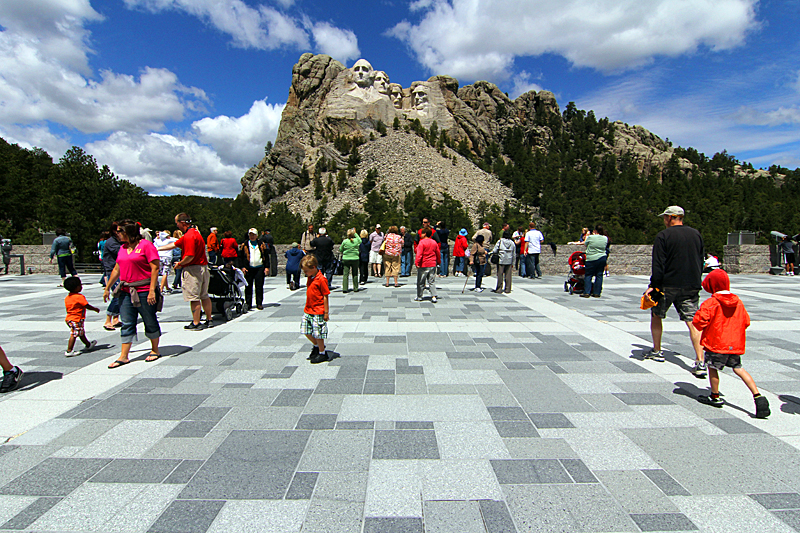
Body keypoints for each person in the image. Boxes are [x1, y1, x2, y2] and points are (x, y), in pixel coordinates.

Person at [692, 268, 770, 418]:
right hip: (734, 344)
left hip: (716, 343)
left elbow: (698, 322)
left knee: (713, 368)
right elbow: (746, 321)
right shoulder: (738, 302)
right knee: (738, 368)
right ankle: (758, 395)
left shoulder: (711, 303)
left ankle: (715, 396)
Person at [644, 205, 706, 378]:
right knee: (693, 321)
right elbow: (700, 259)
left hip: (666, 284)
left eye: (665, 217)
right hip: (691, 284)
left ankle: (657, 350)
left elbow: (658, 264)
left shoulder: (663, 236)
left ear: (671, 217)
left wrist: (653, 285)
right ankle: (700, 361)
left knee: (656, 315)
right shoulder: (696, 234)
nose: (664, 220)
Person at [104, 220, 161, 368]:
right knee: (127, 322)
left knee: (149, 320)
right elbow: (117, 268)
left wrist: (152, 290)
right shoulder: (123, 247)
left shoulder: (146, 246)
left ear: (127, 232)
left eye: (119, 231)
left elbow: (155, 268)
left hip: (143, 290)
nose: (117, 233)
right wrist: (107, 287)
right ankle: (124, 356)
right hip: (125, 291)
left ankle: (155, 349)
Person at [158, 213, 214, 331]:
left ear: (182, 223)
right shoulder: (195, 233)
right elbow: (174, 244)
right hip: (203, 267)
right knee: (204, 295)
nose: (177, 225)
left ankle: (196, 322)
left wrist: (180, 264)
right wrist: (157, 248)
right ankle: (209, 319)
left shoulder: (189, 236)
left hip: (193, 269)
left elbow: (189, 256)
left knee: (194, 297)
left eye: (177, 223)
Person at [301, 255, 331, 364]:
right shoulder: (311, 277)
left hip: (318, 310)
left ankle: (322, 352)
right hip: (308, 309)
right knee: (306, 330)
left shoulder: (321, 279)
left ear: (314, 267)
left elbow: (325, 295)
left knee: (318, 333)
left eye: (306, 271)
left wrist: (326, 312)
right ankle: (316, 346)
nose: (305, 273)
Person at [63, 276, 99, 357]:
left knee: (81, 333)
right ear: (76, 288)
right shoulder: (79, 297)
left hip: (69, 319)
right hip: (76, 319)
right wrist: (95, 309)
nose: (81, 286)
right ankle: (69, 351)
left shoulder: (68, 297)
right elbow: (86, 305)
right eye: (80, 285)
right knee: (74, 334)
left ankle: (88, 345)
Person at [102, 222, 123, 331]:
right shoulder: (111, 242)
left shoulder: (119, 241)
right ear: (115, 231)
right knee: (117, 294)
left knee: (121, 293)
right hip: (113, 270)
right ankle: (108, 319)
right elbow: (121, 252)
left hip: (121, 269)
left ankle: (116, 318)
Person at [241, 228, 268, 310]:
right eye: (250, 235)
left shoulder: (261, 244)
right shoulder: (245, 245)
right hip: (249, 268)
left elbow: (266, 256)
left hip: (259, 268)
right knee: (248, 287)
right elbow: (240, 257)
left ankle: (259, 303)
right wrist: (242, 267)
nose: (252, 236)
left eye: (253, 235)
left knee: (259, 286)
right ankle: (248, 303)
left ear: (256, 235)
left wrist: (267, 267)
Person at [581, 225, 609, 298]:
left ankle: (587, 292)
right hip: (602, 257)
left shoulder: (591, 237)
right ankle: (597, 293)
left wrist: (589, 235)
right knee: (599, 275)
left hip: (591, 258)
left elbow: (585, 244)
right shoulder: (605, 238)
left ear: (595, 231)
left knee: (588, 275)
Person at [414, 228, 440, 302]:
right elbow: (438, 253)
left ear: (425, 234)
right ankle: (434, 296)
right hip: (432, 264)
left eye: (421, 233)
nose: (420, 234)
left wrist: (417, 263)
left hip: (424, 264)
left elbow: (419, 254)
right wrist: (438, 261)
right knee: (431, 281)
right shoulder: (434, 242)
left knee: (421, 281)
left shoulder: (422, 243)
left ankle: (419, 296)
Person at [340, 228, 361, 293]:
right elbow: (360, 240)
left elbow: (341, 249)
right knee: (355, 274)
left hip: (346, 258)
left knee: (345, 274)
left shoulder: (345, 241)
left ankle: (345, 288)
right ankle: (355, 288)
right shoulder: (356, 241)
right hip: (355, 258)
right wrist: (355, 233)